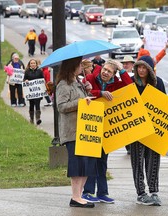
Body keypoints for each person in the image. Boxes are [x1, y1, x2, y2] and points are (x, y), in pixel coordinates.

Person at [82, 60, 132, 204]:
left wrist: (122, 70)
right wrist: (100, 93)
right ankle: (88, 192)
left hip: (107, 127)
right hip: (91, 124)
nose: (105, 72)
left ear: (113, 74)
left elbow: (130, 87)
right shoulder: (90, 78)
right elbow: (84, 91)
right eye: (104, 69)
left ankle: (102, 193)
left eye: (109, 71)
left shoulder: (116, 83)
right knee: (91, 159)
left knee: (102, 161)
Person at [56, 56, 96, 208]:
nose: (81, 67)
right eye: (79, 64)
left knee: (86, 165)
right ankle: (75, 197)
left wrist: (87, 92)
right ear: (72, 66)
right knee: (77, 164)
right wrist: (80, 102)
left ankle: (79, 196)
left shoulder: (78, 82)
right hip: (72, 131)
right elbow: (61, 106)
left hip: (84, 130)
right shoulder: (64, 84)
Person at [130, 55, 166, 206]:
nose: (141, 70)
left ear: (150, 69)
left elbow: (165, 105)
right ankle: (141, 193)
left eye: (144, 67)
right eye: (139, 67)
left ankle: (154, 191)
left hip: (154, 130)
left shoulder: (158, 83)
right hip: (136, 129)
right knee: (137, 162)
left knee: (153, 161)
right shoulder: (131, 83)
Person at [120, 55, 135, 154]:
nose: (125, 65)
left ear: (132, 64)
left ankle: (132, 146)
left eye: (127, 63)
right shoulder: (119, 75)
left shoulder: (135, 75)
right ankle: (128, 146)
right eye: (124, 63)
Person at [23, 59, 44, 124]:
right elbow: (24, 79)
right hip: (30, 92)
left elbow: (42, 80)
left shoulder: (39, 71)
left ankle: (38, 118)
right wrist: (25, 80)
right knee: (31, 105)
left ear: (36, 64)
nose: (33, 64)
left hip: (37, 92)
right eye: (31, 63)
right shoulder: (27, 72)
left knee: (37, 104)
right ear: (29, 64)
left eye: (34, 63)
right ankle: (31, 119)